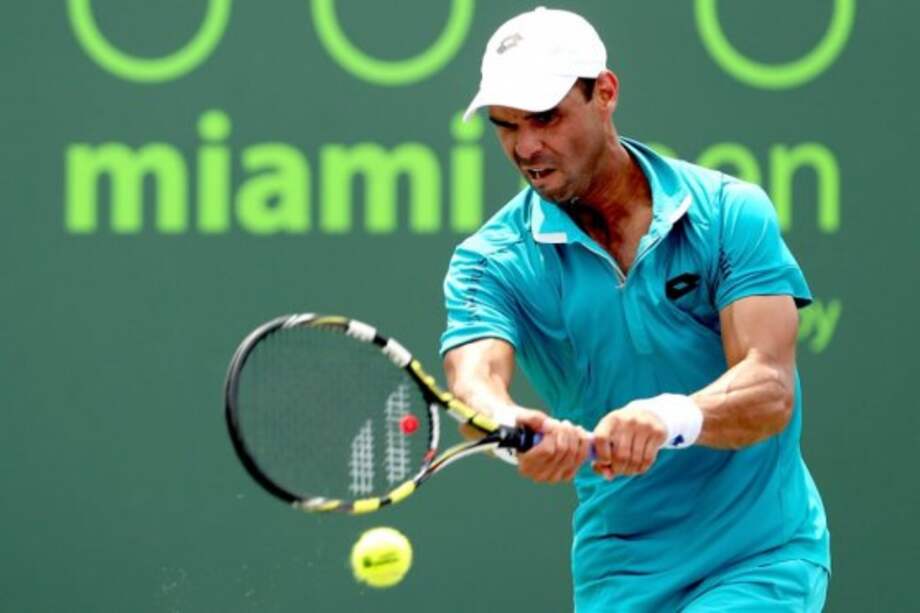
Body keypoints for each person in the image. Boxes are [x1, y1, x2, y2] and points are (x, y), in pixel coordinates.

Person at [439, 7, 830, 612]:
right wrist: (515, 429)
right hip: (619, 571)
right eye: (506, 125)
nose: (526, 146)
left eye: (546, 117)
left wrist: (673, 416)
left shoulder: (729, 212)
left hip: (759, 555)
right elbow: (475, 384)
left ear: (605, 93)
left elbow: (770, 387)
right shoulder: (488, 262)